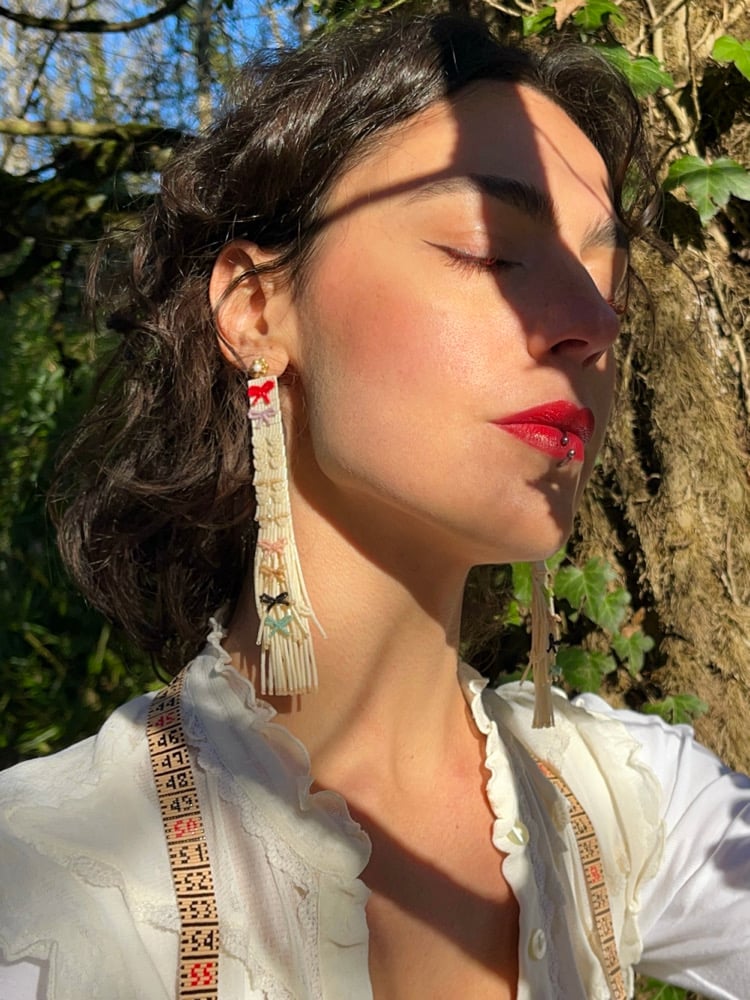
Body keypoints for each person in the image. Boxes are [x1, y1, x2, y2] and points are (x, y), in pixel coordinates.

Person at [0, 12, 748, 1000]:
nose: (591, 322)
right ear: (256, 310)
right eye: (490, 249)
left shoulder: (630, 805)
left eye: (605, 280)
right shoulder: (46, 891)